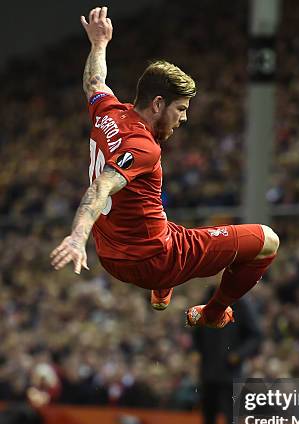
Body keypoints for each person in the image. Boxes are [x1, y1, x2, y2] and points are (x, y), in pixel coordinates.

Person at [50, 6, 279, 329]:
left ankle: (162, 286)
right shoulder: (141, 146)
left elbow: (94, 81)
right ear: (158, 103)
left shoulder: (108, 113)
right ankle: (213, 313)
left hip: (111, 255)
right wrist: (76, 236)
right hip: (155, 261)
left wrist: (99, 45)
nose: (184, 118)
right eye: (181, 109)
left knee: (151, 205)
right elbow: (101, 186)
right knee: (267, 241)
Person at [193, 289, 262, 424]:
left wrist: (238, 355)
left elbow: (255, 335)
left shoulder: (240, 303)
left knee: (230, 420)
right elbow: (197, 327)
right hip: (208, 370)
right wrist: (197, 351)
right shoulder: (207, 298)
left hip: (230, 373)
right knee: (209, 418)